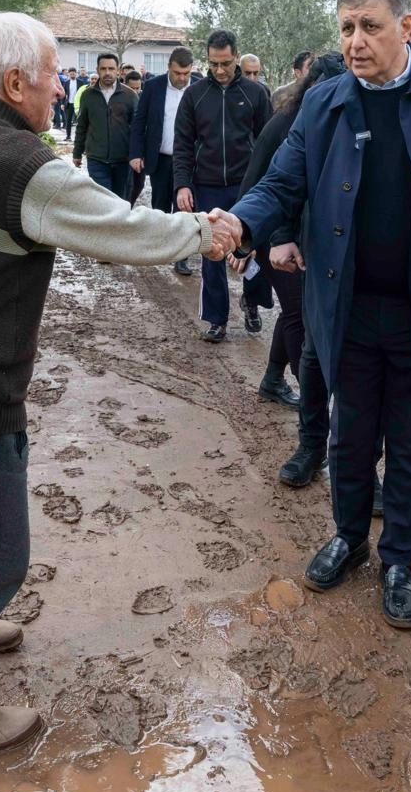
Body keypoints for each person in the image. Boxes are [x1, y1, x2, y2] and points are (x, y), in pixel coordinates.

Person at [0, 12, 236, 756]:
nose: (61, 81)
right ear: (14, 83)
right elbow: (124, 230)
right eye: (55, 69)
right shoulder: (25, 167)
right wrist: (204, 234)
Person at [220, 0, 411, 631]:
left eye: (370, 26)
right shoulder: (325, 105)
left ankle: (399, 559)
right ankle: (350, 538)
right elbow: (282, 182)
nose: (355, 41)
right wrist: (242, 222)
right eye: (346, 28)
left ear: (406, 28)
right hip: (345, 308)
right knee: (350, 435)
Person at [255, 52, 348, 484]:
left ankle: (365, 468)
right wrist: (272, 235)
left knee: (365, 366)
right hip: (316, 253)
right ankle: (311, 446)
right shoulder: (299, 122)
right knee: (312, 352)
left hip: (370, 262)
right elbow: (280, 183)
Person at [174, 30, 274, 341]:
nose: (219, 70)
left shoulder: (256, 94)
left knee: (253, 249)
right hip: (208, 185)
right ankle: (216, 319)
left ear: (236, 58)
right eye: (214, 64)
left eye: (226, 64)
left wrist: (264, 184)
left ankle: (253, 302)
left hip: (247, 186)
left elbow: (268, 143)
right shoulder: (195, 95)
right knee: (212, 251)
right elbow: (183, 145)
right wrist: (182, 184)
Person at [129, 46, 198, 275]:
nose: (182, 78)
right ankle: (159, 249)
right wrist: (136, 153)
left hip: (189, 161)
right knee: (159, 206)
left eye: (186, 73)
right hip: (160, 158)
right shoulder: (153, 87)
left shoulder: (200, 87)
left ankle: (181, 257)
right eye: (178, 73)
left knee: (185, 207)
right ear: (169, 67)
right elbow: (140, 122)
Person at [71, 54, 135, 201]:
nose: (107, 72)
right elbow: (82, 125)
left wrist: (137, 154)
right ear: (97, 70)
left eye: (111, 68)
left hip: (122, 160)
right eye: (103, 68)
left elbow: (138, 128)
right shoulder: (88, 95)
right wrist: (77, 152)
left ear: (118, 71)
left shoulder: (129, 95)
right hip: (96, 159)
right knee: (102, 202)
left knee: (120, 202)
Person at [122, 70, 146, 202]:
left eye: (138, 88)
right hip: (123, 149)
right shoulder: (119, 100)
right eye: (132, 88)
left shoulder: (145, 99)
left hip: (139, 150)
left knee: (139, 184)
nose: (135, 91)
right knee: (126, 185)